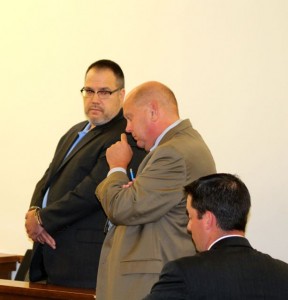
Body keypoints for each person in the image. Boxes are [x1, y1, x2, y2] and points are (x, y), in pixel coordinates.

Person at [24, 59, 146, 289]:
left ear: (121, 95)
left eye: (104, 92)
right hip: (51, 256)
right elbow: (47, 179)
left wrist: (44, 220)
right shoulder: (74, 132)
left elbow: (91, 191)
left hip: (84, 261)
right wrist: (33, 212)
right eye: (89, 91)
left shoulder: (123, 135)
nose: (95, 99)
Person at [95, 81, 216, 299]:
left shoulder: (172, 154)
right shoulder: (179, 146)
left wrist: (117, 168)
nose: (127, 128)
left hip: (150, 284)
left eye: (130, 118)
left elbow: (123, 207)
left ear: (153, 111)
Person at [143, 173, 288, 299]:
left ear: (208, 220)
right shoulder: (283, 274)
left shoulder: (183, 273)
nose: (188, 227)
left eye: (191, 217)